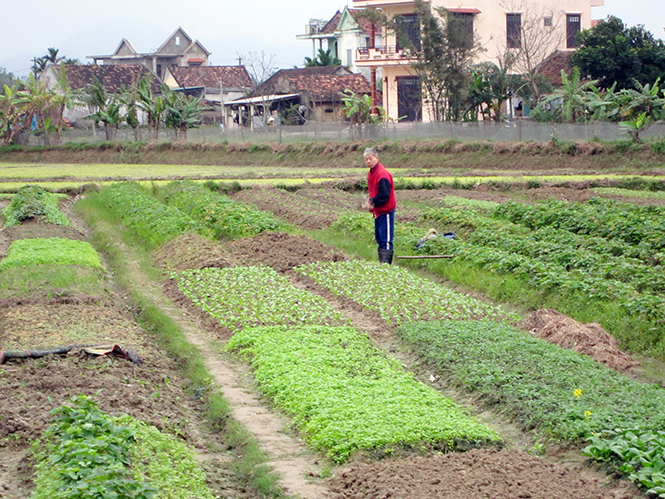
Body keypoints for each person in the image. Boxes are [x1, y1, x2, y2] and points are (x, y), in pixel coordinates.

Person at [362, 147, 396, 264]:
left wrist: (371, 202)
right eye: (366, 159)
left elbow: (384, 195)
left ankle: (386, 266)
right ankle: (382, 264)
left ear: (377, 157)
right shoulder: (371, 172)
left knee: (385, 240)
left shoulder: (382, 174)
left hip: (385, 211)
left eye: (370, 158)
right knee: (379, 238)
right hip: (378, 211)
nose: (368, 161)